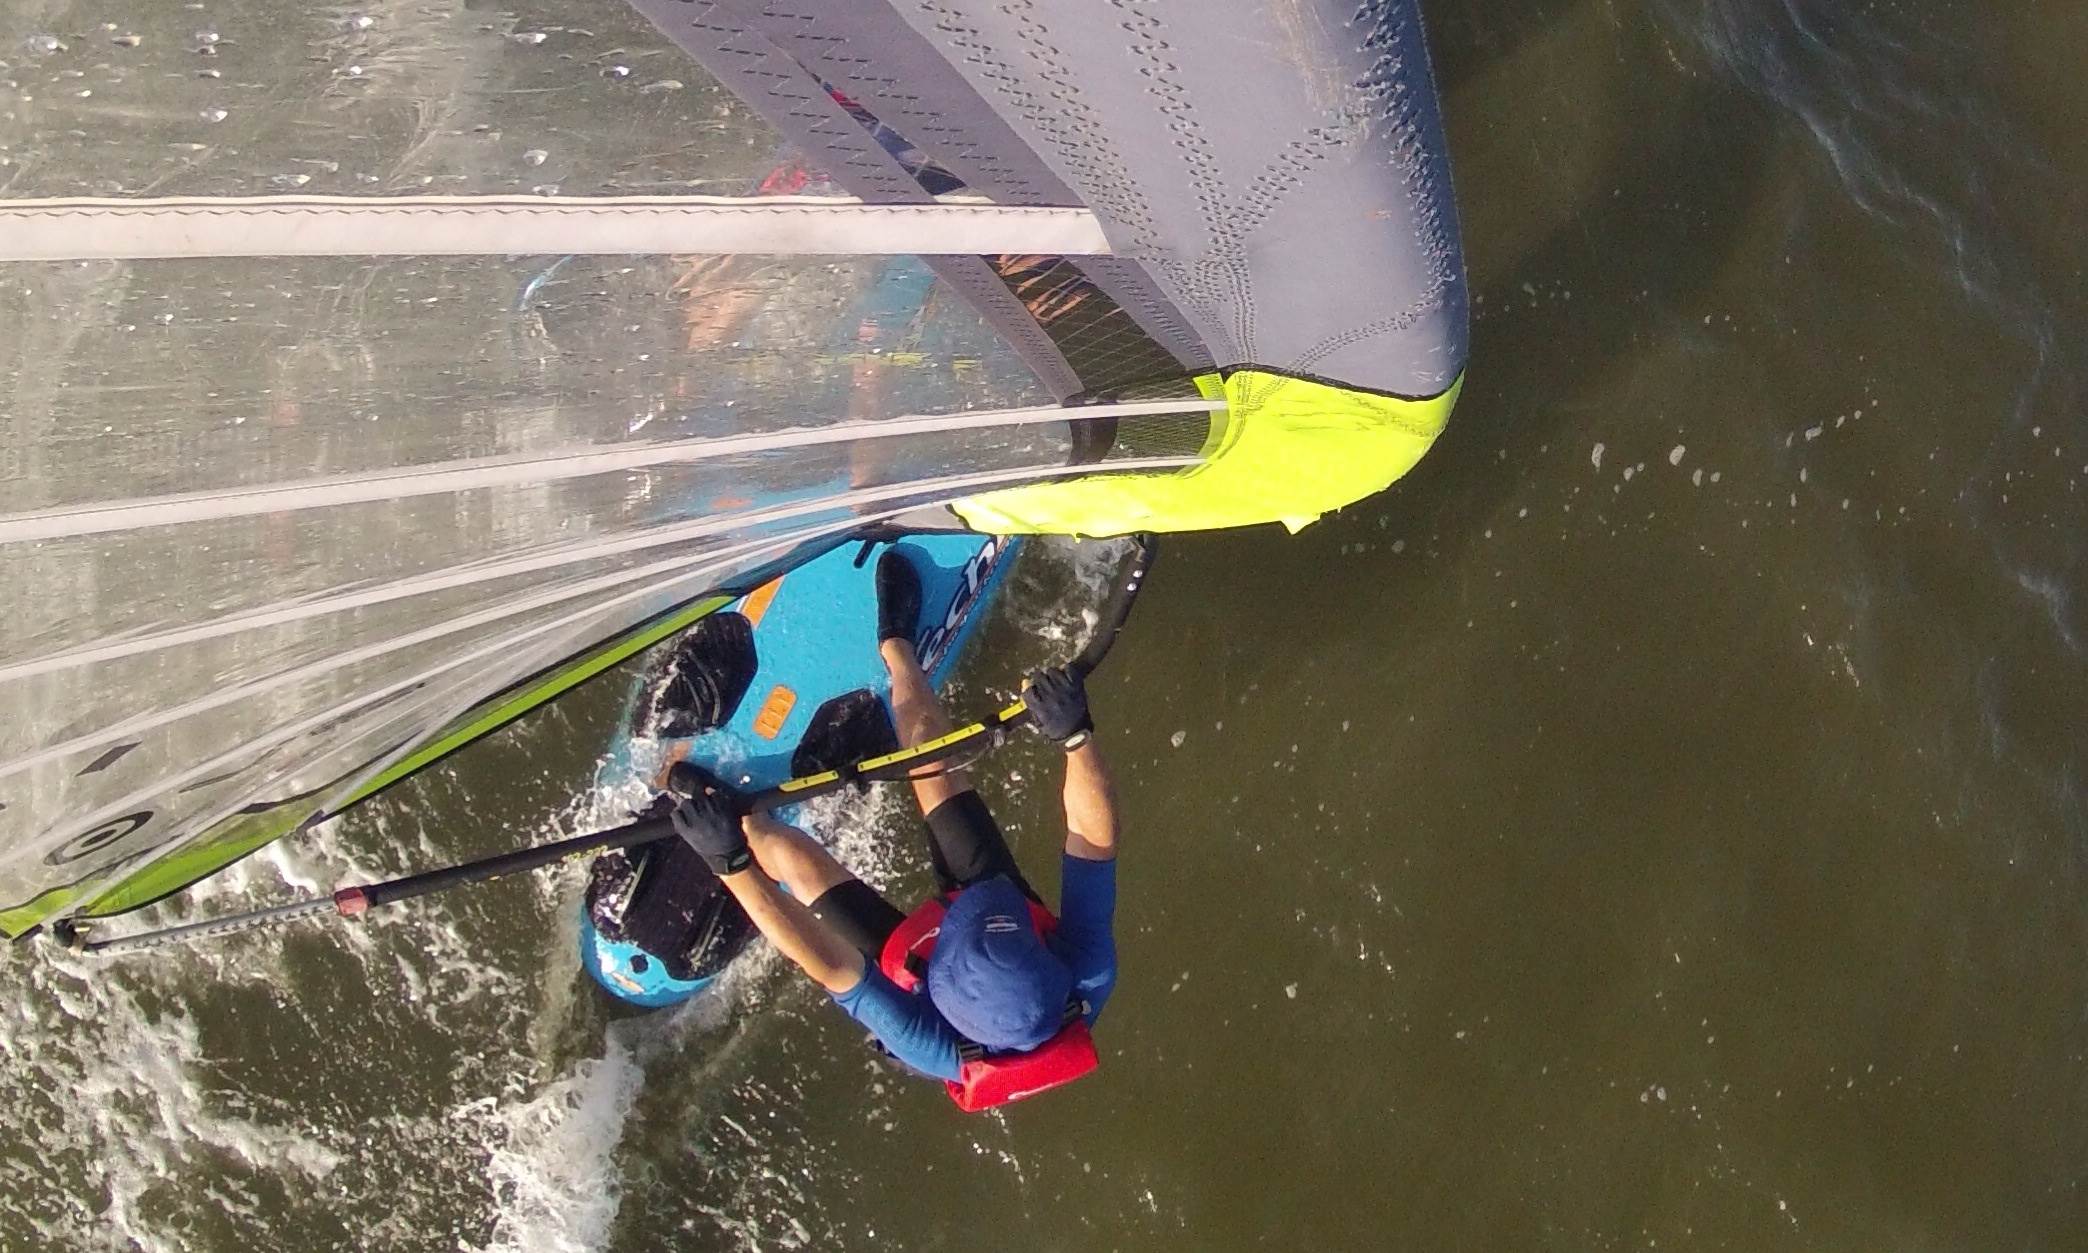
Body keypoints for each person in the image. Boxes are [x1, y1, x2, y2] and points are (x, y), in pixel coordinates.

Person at [668, 549, 1119, 1110]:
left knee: (794, 863)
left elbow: (824, 961)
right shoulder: (1087, 970)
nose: (957, 909)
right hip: (999, 922)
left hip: (913, 973)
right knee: (933, 759)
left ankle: (738, 818)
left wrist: (730, 862)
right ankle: (898, 648)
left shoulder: (927, 1040)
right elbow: (1092, 844)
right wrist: (1075, 735)